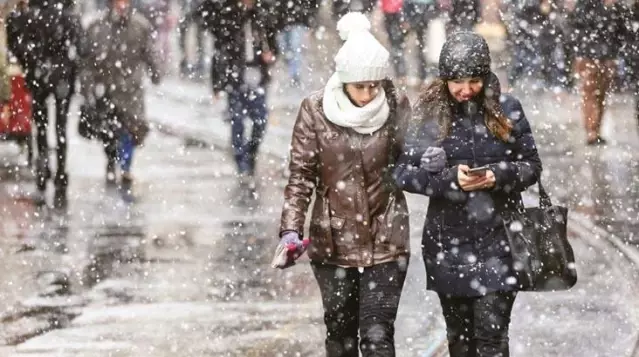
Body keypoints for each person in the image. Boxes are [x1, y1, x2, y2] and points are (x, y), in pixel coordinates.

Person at [277, 12, 417, 357]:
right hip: (332, 241)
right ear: (342, 81)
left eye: (374, 85)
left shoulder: (396, 104)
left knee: (377, 335)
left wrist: (424, 162)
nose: (369, 94)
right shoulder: (314, 109)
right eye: (360, 86)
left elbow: (411, 162)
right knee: (340, 336)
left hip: (387, 238)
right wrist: (290, 230)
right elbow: (301, 176)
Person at [394, 32, 543, 357]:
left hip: (500, 242)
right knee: (460, 342)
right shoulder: (429, 116)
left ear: (486, 76)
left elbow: (531, 166)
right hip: (448, 245)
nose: (465, 90)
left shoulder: (508, 109)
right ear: (445, 79)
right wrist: (448, 181)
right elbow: (403, 172)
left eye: (473, 80)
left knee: (491, 341)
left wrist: (497, 175)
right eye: (457, 82)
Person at [81, 0, 161, 201]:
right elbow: (89, 60)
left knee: (131, 129)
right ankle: (110, 160)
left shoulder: (140, 26)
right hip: (107, 88)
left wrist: (155, 71)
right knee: (109, 130)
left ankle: (125, 167)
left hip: (131, 89)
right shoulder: (98, 27)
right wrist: (88, 86)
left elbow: (149, 52)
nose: (122, 5)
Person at [7, 0, 82, 208]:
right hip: (61, 77)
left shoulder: (30, 14)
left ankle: (44, 166)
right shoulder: (67, 14)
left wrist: (33, 62)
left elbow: (16, 41)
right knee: (60, 128)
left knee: (41, 125)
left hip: (40, 75)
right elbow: (79, 44)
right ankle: (60, 171)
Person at [194, 0, 276, 187]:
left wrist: (270, 55)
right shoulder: (228, 16)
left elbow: (272, 43)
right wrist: (216, 84)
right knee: (237, 122)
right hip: (235, 78)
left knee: (260, 120)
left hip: (257, 77)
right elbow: (218, 51)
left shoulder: (262, 15)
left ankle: (251, 152)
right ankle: (241, 163)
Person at [569, 0, 630, 145]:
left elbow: (620, 29)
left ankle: (596, 129)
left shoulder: (614, 6)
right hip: (590, 56)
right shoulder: (588, 5)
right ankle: (592, 131)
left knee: (601, 95)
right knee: (590, 94)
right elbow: (581, 25)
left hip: (605, 56)